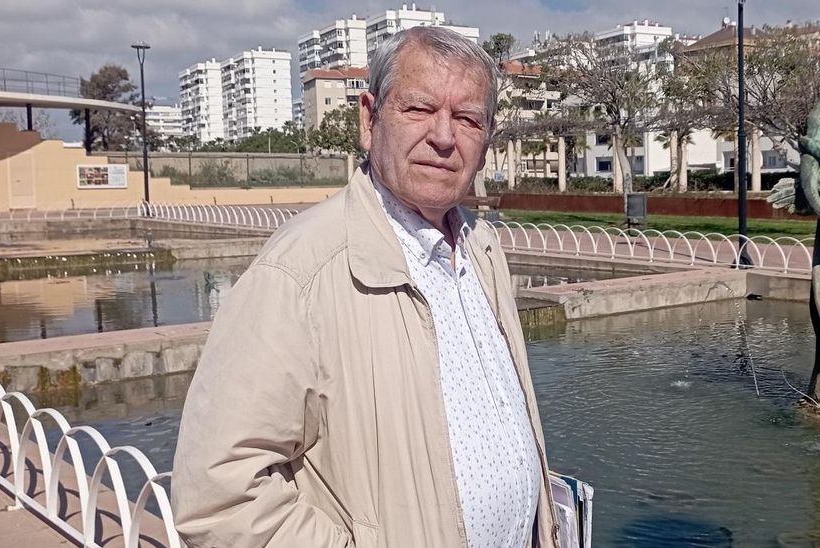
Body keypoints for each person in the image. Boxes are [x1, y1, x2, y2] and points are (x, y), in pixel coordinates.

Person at [172, 26, 560, 548]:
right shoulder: (299, 273)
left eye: (467, 119)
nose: (444, 137)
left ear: (487, 141)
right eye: (420, 110)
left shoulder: (481, 245)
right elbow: (221, 496)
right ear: (368, 119)